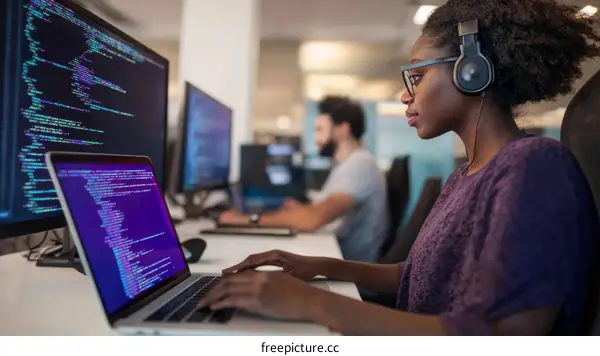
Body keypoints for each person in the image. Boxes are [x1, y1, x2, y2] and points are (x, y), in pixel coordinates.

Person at [200, 0, 600, 335]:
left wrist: (315, 305)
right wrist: (319, 267)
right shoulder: (468, 173)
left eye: (418, 76)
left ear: (471, 69)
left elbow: (499, 336)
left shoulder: (533, 167)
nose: (405, 96)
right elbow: (421, 275)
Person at [219, 95, 389, 263]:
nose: (316, 139)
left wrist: (244, 220)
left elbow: (313, 219)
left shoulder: (360, 164)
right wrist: (302, 210)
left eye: (320, 130)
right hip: (334, 255)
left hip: (350, 274)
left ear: (342, 130)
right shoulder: (349, 164)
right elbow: (322, 213)